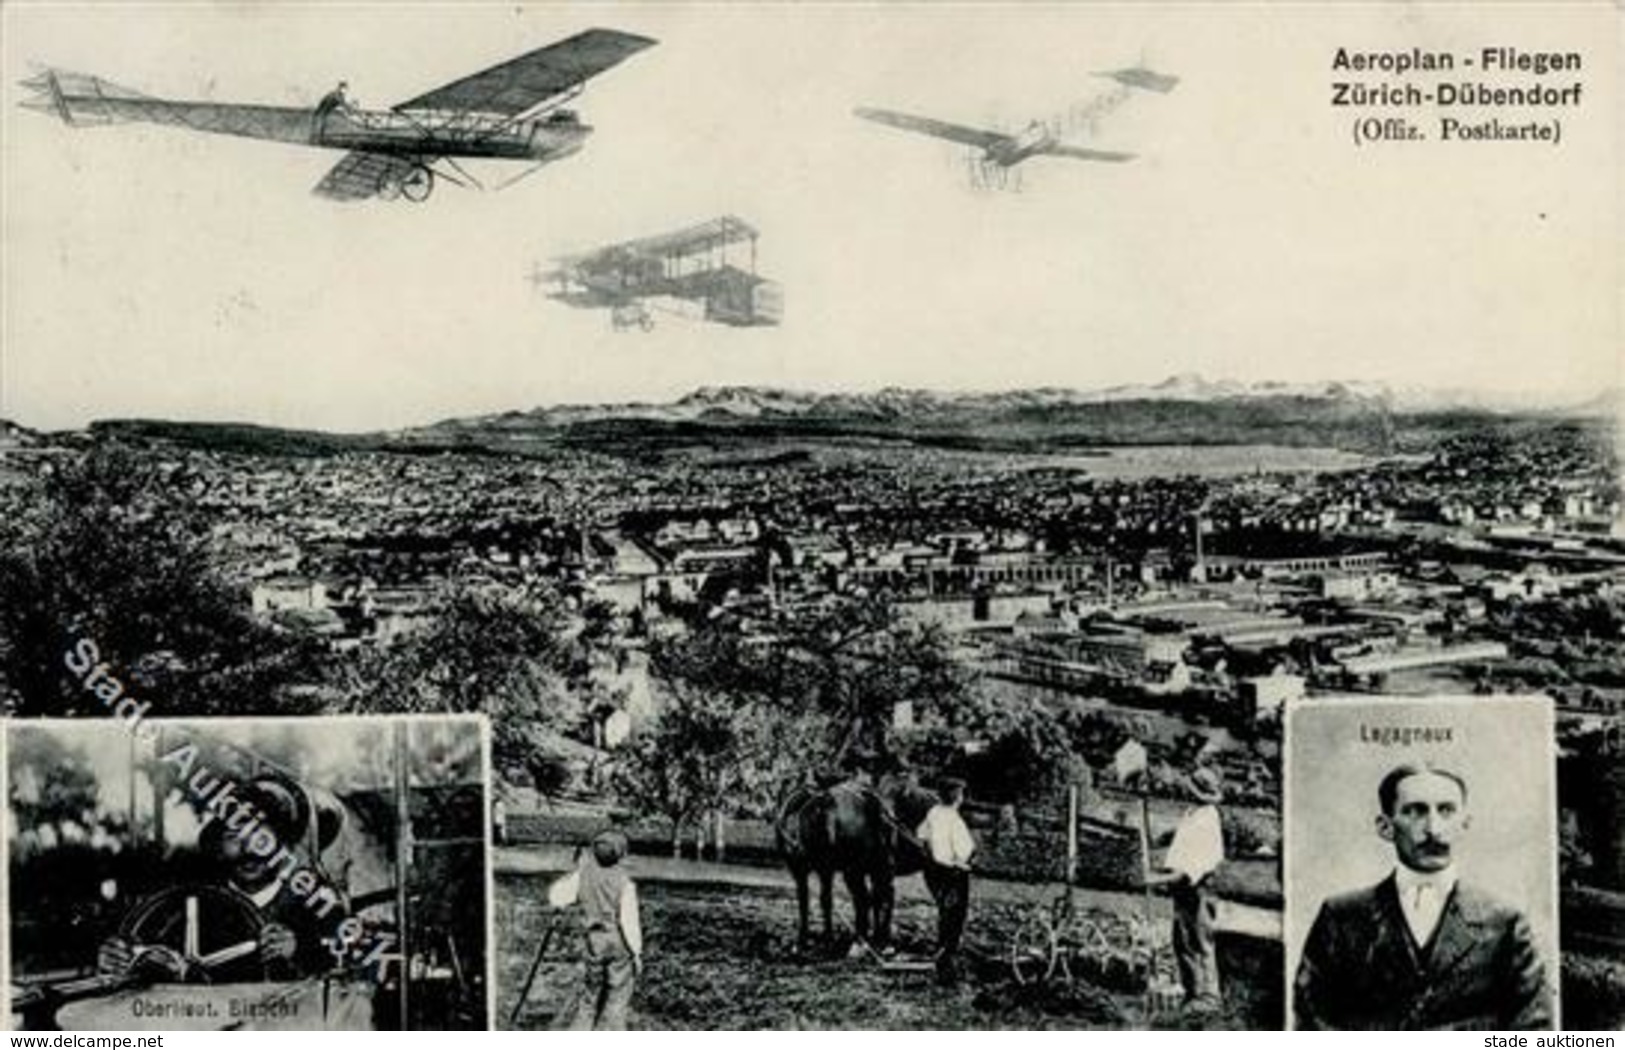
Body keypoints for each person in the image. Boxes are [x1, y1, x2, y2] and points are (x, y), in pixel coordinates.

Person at [1293, 763, 1553, 1030]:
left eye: (1446, 810)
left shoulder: (1505, 921)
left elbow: (1533, 1028)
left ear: (1465, 824)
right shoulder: (1342, 916)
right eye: (1415, 811)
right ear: (1385, 827)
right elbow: (1313, 1020)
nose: (1433, 828)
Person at [97, 777, 337, 982]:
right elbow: (154, 961)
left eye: (261, 837)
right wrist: (118, 958)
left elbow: (334, 967)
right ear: (218, 847)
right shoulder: (190, 910)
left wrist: (297, 949)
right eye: (234, 836)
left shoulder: (313, 910)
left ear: (283, 847)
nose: (248, 850)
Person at [1147, 765, 1226, 1014]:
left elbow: (1192, 868)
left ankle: (1209, 998)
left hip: (1199, 888)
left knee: (1200, 941)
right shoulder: (1194, 812)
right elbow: (1184, 840)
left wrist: (1155, 880)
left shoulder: (1207, 819)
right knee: (1182, 940)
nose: (1187, 791)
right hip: (1185, 888)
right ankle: (1192, 993)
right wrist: (1165, 837)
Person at [548, 829, 643, 1030]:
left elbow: (556, 897)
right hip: (619, 943)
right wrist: (636, 952)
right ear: (621, 854)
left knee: (590, 994)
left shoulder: (583, 875)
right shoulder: (625, 882)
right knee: (617, 994)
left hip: (594, 942)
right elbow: (629, 921)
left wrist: (577, 870)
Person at [916, 777, 976, 986]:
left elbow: (921, 835)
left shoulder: (933, 813)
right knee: (955, 914)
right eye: (960, 794)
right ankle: (946, 959)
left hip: (933, 870)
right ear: (957, 797)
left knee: (945, 910)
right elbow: (965, 850)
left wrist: (930, 854)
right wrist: (965, 862)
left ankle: (943, 951)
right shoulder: (954, 819)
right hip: (953, 872)